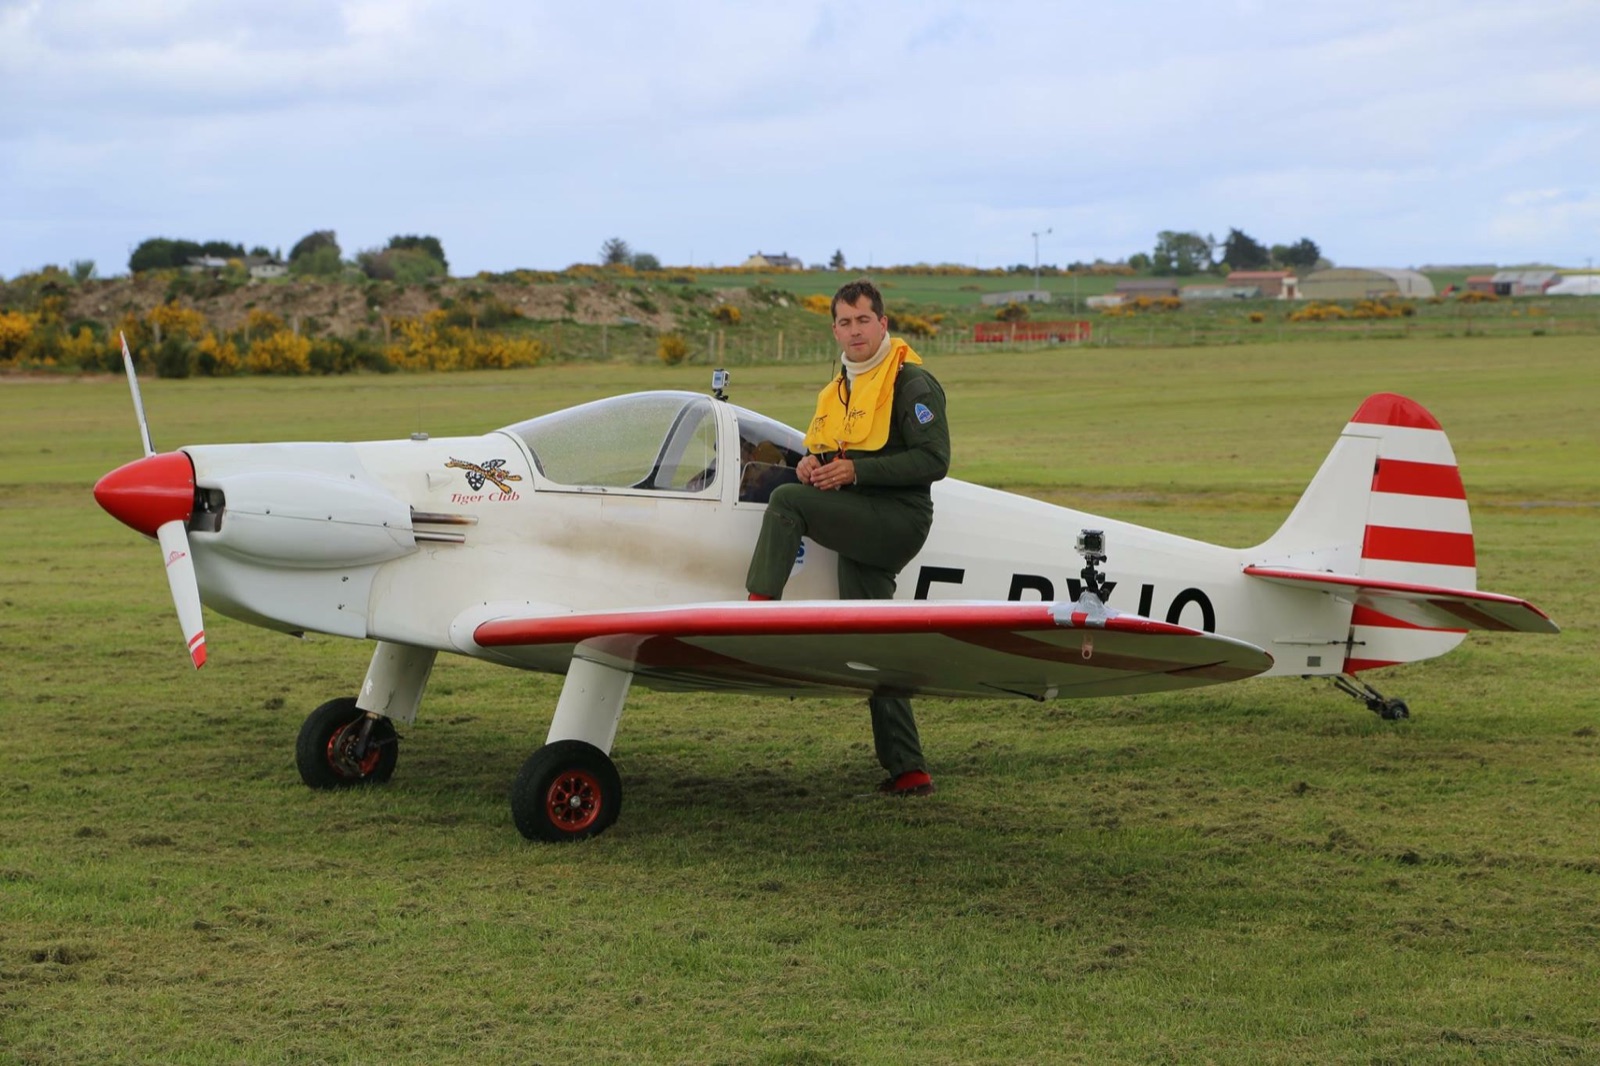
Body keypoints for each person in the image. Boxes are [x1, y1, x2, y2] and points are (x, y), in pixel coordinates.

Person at [744, 279, 950, 796]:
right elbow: (833, 448)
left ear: (883, 323)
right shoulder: (840, 385)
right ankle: (910, 770)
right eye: (844, 321)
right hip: (862, 519)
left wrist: (854, 474)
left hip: (898, 519)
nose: (854, 331)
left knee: (786, 502)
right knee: (873, 645)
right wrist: (814, 463)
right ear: (834, 328)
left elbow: (935, 461)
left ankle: (755, 614)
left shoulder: (913, 383)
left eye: (863, 320)